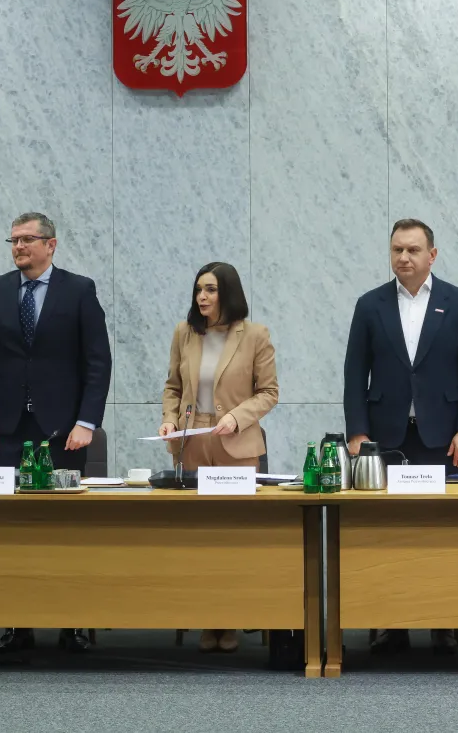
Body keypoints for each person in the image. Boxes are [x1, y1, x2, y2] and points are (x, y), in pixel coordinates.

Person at [0, 212, 112, 655]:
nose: (19, 247)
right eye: (13, 240)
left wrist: (87, 422)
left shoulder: (79, 290)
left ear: (51, 244)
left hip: (64, 431)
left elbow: (98, 362)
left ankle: (74, 622)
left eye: (28, 239)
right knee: (13, 530)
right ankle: (18, 622)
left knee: (67, 530)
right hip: (7, 430)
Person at [342, 218, 458, 656]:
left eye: (412, 250)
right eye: (397, 250)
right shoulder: (369, 305)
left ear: (432, 255)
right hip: (384, 440)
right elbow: (354, 375)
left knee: (444, 533)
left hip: (444, 441)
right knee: (385, 534)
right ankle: (389, 623)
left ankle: (444, 622)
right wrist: (357, 433)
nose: (403, 257)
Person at [159, 261, 278, 654]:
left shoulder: (255, 335)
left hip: (235, 443)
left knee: (233, 535)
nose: (202, 297)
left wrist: (237, 417)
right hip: (193, 441)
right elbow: (173, 386)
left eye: (210, 289)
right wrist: (169, 418)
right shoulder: (185, 332)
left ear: (227, 292)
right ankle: (207, 618)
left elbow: (269, 392)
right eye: (198, 290)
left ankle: (231, 619)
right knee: (200, 536)